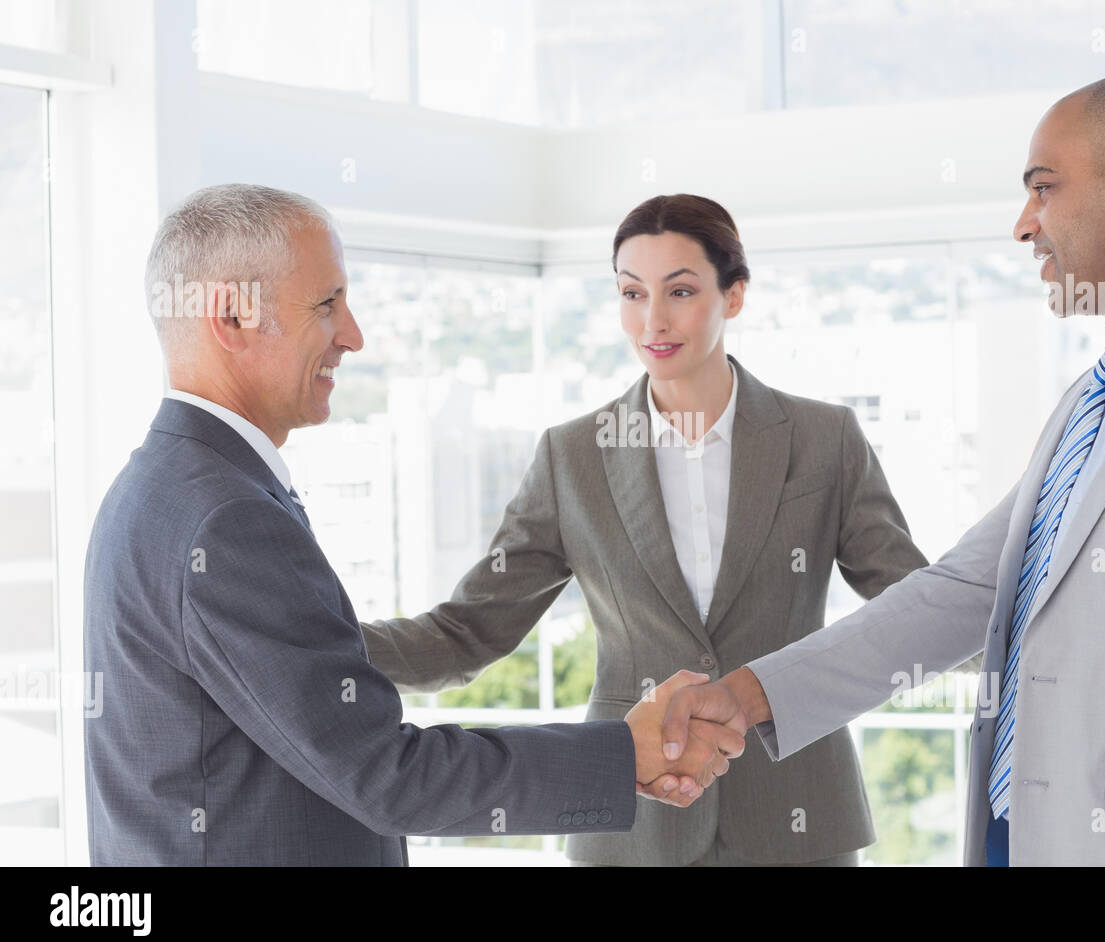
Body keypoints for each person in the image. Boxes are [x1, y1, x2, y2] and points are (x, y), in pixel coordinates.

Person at [660, 71, 1105, 866]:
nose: (1025, 224)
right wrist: (746, 696)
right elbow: (961, 592)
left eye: (1044, 188)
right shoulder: (1090, 401)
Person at [82, 184, 742, 866]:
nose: (353, 334)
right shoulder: (226, 517)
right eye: (326, 304)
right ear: (233, 317)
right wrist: (621, 751)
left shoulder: (160, 489)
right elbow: (387, 776)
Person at [360, 194, 928, 866]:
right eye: (632, 294)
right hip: (631, 826)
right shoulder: (572, 457)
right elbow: (467, 632)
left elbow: (915, 605)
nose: (652, 320)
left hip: (797, 812)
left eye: (680, 291)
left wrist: (1020, 638)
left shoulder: (824, 440)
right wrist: (315, 646)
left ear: (734, 295)